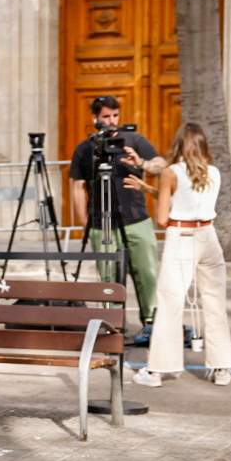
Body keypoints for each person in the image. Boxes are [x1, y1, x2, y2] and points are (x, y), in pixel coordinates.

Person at [137, 123, 231, 387]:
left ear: (179, 144)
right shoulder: (214, 172)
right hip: (208, 237)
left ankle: (159, 370)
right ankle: (222, 368)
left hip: (182, 238)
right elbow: (189, 201)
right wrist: (150, 189)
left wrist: (155, 192)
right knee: (214, 304)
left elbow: (163, 218)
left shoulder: (170, 172)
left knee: (170, 302)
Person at [70, 95, 165, 344]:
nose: (112, 121)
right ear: (95, 119)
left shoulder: (133, 141)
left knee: (147, 273)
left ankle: (151, 325)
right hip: (102, 224)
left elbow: (160, 164)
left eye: (115, 115)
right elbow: (78, 187)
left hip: (137, 220)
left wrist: (141, 161)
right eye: (106, 117)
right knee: (108, 278)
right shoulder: (85, 148)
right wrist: (86, 226)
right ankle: (112, 326)